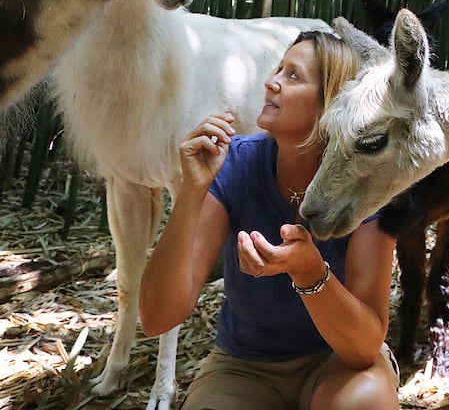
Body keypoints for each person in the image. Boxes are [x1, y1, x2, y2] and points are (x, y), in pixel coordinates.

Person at [139, 30, 399, 410]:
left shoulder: (366, 186)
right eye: (279, 68)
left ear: (330, 103)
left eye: (292, 76)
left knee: (364, 403)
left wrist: (310, 273)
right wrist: (191, 192)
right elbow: (157, 317)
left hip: (337, 362)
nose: (270, 82)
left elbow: (363, 348)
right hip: (245, 367)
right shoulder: (236, 165)